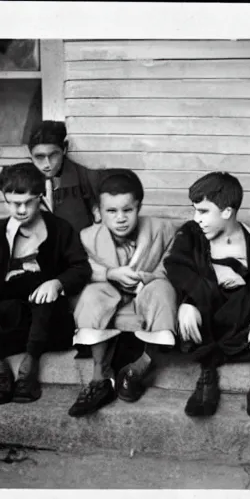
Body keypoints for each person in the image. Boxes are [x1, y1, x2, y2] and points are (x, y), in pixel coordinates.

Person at [163, 172, 250, 418]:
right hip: (207, 318)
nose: (196, 218)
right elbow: (176, 267)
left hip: (239, 322)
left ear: (226, 212)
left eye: (203, 212)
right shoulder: (192, 234)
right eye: (195, 211)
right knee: (187, 332)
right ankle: (208, 376)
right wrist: (189, 302)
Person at [0, 162, 91, 406]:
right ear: (5, 201)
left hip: (49, 317)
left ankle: (28, 371)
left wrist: (57, 283)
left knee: (42, 292)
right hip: (16, 313)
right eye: (15, 203)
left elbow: (81, 268)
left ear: (40, 197)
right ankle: (1, 372)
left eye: (29, 202)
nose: (22, 210)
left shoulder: (59, 229)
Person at [68, 169, 178, 417]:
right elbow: (82, 268)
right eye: (111, 211)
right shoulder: (88, 237)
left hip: (146, 293)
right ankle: (100, 379)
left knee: (163, 291)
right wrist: (109, 273)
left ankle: (138, 369)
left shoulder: (163, 230)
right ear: (99, 212)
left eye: (127, 210)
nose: (120, 218)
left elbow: (171, 267)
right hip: (109, 294)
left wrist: (145, 279)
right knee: (91, 296)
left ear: (139, 207)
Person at [27, 120, 103, 233]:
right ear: (31, 155)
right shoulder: (25, 181)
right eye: (39, 157)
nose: (47, 164)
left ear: (65, 148)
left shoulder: (87, 178)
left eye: (53, 155)